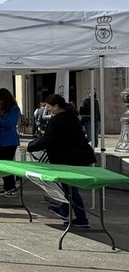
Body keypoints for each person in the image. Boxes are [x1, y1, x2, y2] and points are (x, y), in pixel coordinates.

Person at [25, 94, 94, 228]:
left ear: (57, 106)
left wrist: (30, 146)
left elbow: (48, 140)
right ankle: (65, 209)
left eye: (49, 107)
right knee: (70, 188)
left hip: (71, 159)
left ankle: (81, 218)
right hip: (81, 157)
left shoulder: (57, 120)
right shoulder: (71, 117)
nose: (47, 109)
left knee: (70, 190)